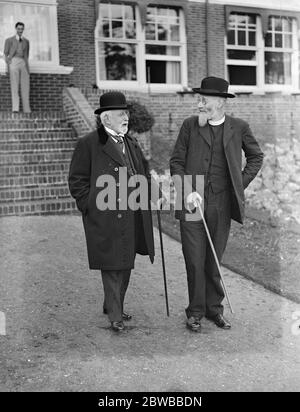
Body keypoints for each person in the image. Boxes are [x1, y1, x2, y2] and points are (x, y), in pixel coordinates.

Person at [170, 76, 263, 332]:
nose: (200, 103)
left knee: (213, 259)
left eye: (205, 99)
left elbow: (256, 157)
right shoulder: (190, 126)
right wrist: (187, 191)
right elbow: (176, 162)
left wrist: (238, 185)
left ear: (221, 102)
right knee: (193, 258)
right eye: (199, 99)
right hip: (192, 203)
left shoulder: (239, 127)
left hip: (221, 203)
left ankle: (214, 310)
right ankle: (195, 312)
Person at [68, 91, 156, 332]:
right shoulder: (89, 144)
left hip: (130, 213)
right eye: (121, 115)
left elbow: (143, 174)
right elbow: (77, 180)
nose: (126, 118)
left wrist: (150, 190)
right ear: (106, 119)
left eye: (126, 114)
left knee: (126, 262)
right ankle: (115, 315)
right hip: (104, 214)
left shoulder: (132, 143)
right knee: (111, 264)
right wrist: (89, 205)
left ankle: (113, 304)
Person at [4, 22, 31, 113]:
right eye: (19, 29)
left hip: (23, 62)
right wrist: (9, 62)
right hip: (14, 61)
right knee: (14, 85)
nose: (20, 30)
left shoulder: (26, 41)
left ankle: (26, 109)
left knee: (25, 86)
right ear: (16, 29)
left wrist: (27, 67)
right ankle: (15, 108)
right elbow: (5, 53)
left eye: (22, 29)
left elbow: (26, 55)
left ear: (23, 29)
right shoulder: (9, 40)